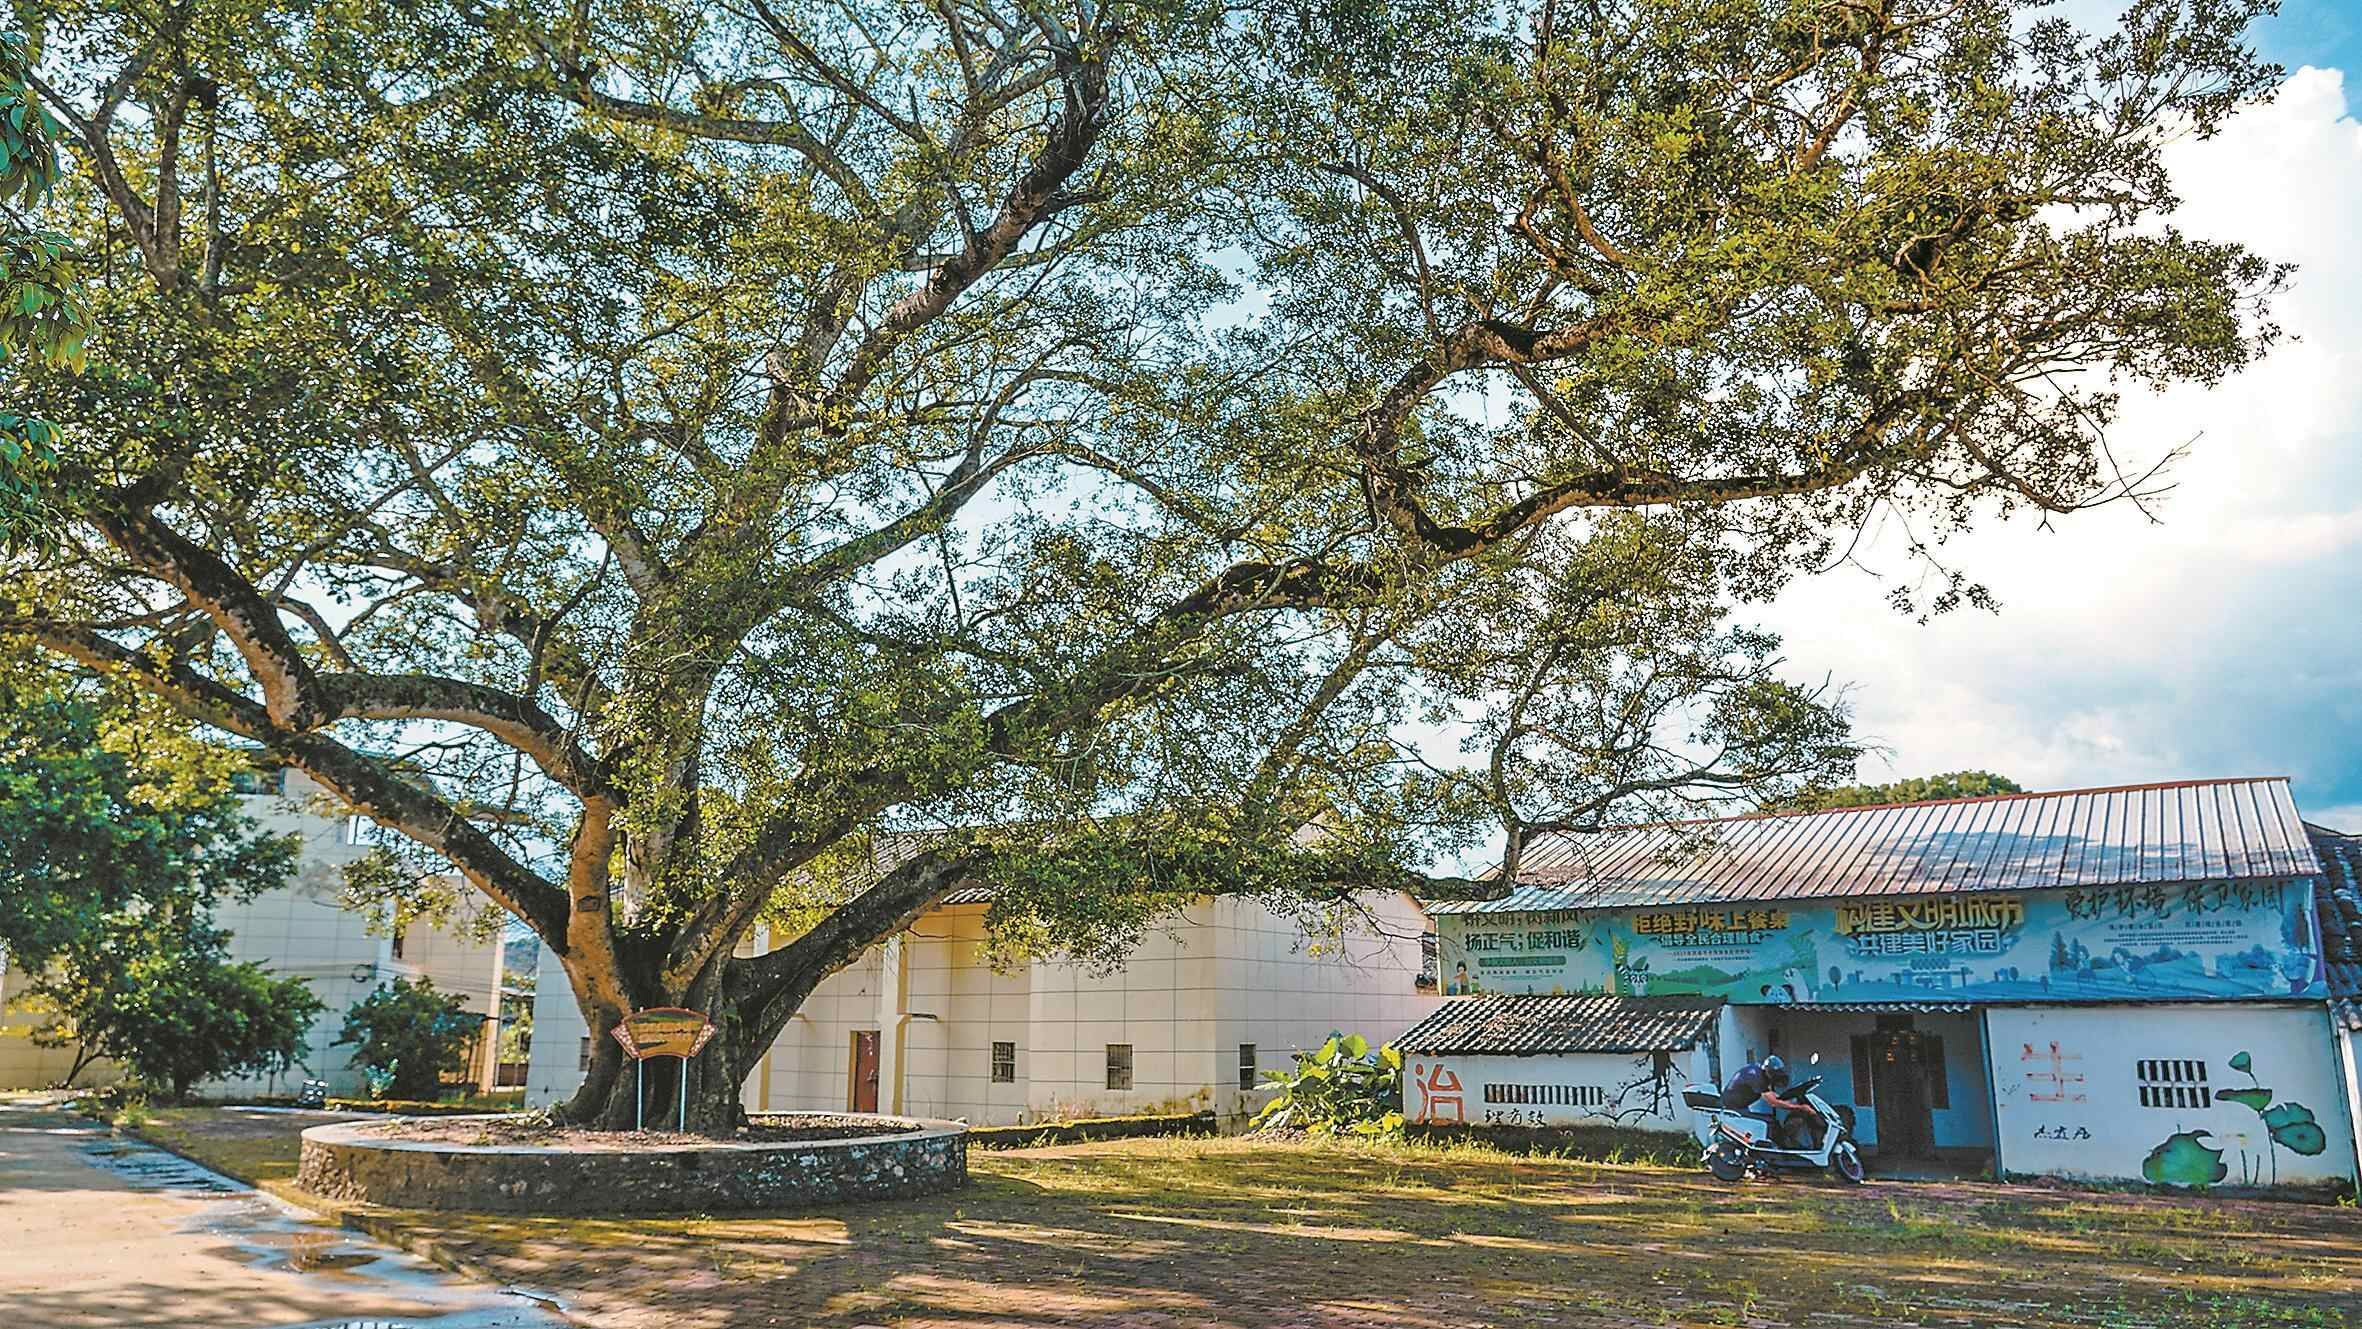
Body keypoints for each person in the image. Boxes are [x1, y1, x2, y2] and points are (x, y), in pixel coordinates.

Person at [1720, 1055, 1816, 1146]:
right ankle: (1783, 1150)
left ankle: (1783, 1146)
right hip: (1733, 1110)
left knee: (1769, 1121)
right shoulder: (1756, 1076)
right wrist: (1800, 1107)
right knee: (1770, 1123)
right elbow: (1773, 1102)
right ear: (1769, 1071)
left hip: (1740, 1108)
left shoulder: (1761, 1073)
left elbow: (1774, 1096)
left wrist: (1790, 1099)